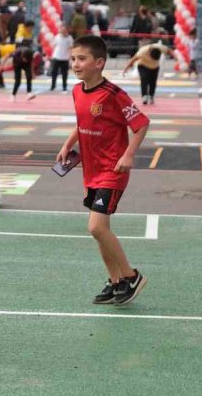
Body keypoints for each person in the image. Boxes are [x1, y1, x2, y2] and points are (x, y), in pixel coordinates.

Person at [57, 35, 151, 306]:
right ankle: (115, 281)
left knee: (96, 227)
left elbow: (142, 124)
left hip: (113, 170)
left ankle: (131, 276)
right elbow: (81, 122)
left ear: (99, 63)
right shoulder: (77, 91)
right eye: (73, 59)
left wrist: (128, 154)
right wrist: (67, 145)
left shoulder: (113, 94)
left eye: (82, 59)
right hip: (91, 170)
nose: (75, 64)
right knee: (100, 230)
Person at [50, 24, 73, 91]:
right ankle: (53, 85)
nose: (62, 31)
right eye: (61, 29)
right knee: (54, 72)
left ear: (67, 30)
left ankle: (64, 86)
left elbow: (70, 48)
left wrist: (70, 57)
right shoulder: (57, 37)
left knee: (64, 73)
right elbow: (54, 46)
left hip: (65, 58)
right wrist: (51, 56)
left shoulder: (69, 38)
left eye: (64, 29)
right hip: (56, 57)